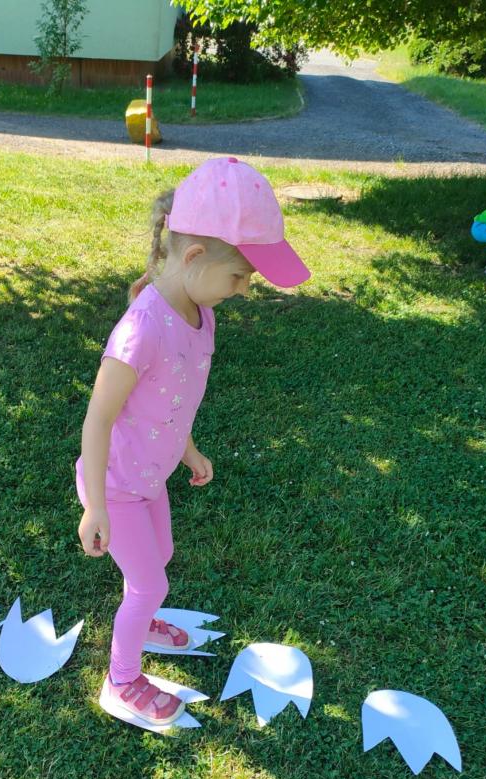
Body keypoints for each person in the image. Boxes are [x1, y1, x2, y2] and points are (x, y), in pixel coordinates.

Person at [76, 157, 310, 725]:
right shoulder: (141, 331)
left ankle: (144, 619)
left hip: (150, 475)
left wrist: (188, 449)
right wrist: (95, 507)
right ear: (195, 256)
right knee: (146, 584)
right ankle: (121, 680)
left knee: (161, 560)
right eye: (240, 276)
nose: (245, 289)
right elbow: (99, 419)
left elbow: (168, 401)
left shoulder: (200, 314)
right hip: (116, 484)